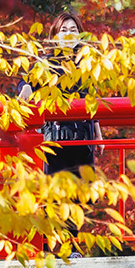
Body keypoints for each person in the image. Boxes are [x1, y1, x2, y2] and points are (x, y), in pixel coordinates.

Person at [18, 12, 103, 177]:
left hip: (83, 138)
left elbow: (91, 100)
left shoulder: (86, 65)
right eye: (64, 30)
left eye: (73, 30)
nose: (69, 34)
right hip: (54, 138)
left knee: (83, 189)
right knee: (55, 188)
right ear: (55, 34)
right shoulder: (45, 63)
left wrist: (98, 135)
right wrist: (27, 87)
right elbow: (25, 82)